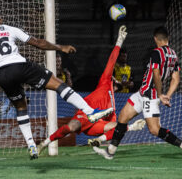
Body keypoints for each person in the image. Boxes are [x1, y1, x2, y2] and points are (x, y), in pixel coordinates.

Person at [0, 8, 112, 160]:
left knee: (21, 106)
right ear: (0, 20)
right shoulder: (8, 28)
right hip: (19, 66)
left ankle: (31, 145)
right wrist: (61, 47)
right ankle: (90, 112)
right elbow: (38, 43)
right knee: (58, 84)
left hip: (1, 75)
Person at [94, 26, 182, 161]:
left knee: (155, 130)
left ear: (155, 38)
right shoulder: (174, 54)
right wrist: (169, 94)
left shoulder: (156, 53)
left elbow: (156, 74)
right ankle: (110, 151)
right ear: (168, 38)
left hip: (151, 96)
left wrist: (162, 94)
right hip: (142, 93)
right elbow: (176, 78)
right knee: (122, 118)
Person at [37, 26, 146, 155]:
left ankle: (97, 141)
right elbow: (111, 62)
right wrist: (119, 41)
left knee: (118, 126)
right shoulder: (105, 82)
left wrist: (131, 127)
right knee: (71, 127)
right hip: (85, 114)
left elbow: (115, 131)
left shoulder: (113, 107)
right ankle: (44, 143)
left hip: (95, 126)